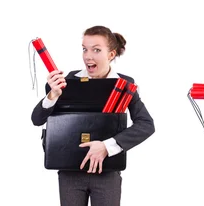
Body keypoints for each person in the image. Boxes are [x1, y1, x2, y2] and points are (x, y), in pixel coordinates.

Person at [31, 25, 155, 206]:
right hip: (70, 170)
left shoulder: (124, 85)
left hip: (107, 173)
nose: (88, 56)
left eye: (96, 50)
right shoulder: (66, 82)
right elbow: (37, 120)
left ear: (111, 54)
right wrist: (52, 95)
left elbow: (146, 124)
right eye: (84, 49)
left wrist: (107, 146)